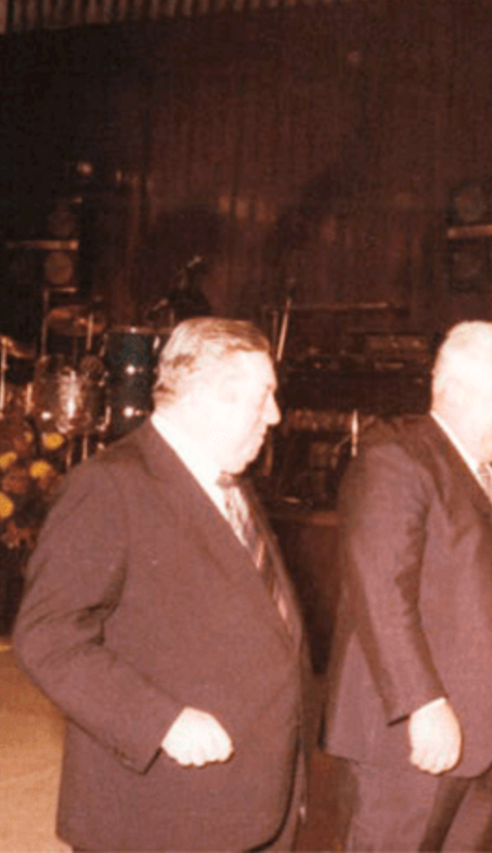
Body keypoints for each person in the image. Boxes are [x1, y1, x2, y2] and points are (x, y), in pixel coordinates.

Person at [14, 317, 309, 851]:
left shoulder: (230, 482)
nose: (275, 415)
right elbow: (47, 636)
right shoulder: (109, 485)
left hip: (250, 800)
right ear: (205, 397)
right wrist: (160, 721)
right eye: (262, 396)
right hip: (160, 814)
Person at [322, 320, 492, 851]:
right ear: (454, 389)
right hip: (411, 740)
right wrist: (423, 704)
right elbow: (382, 594)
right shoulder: (398, 460)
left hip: (483, 735)